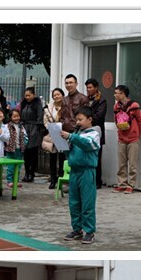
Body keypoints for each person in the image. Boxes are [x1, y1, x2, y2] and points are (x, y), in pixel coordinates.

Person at [60, 105, 101, 245]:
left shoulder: (94, 133)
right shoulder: (76, 134)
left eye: (80, 119)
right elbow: (69, 152)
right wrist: (63, 144)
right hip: (75, 171)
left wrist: (71, 137)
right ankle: (77, 229)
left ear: (89, 119)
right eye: (76, 120)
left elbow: (87, 144)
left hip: (87, 172)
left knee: (87, 203)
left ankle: (89, 231)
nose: (78, 122)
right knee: (74, 203)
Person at [113, 84, 141, 193]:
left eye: (116, 93)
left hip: (133, 139)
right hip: (121, 138)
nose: (115, 95)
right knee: (121, 163)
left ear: (123, 94)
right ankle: (122, 184)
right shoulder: (116, 107)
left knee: (132, 164)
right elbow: (115, 120)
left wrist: (137, 133)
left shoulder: (134, 106)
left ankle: (131, 185)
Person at [85, 78, 107, 189]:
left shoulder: (101, 100)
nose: (88, 90)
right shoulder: (85, 100)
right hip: (85, 131)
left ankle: (97, 181)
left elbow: (99, 116)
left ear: (96, 87)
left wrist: (86, 119)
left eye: (90, 87)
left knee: (96, 157)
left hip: (96, 131)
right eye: (87, 88)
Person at [19, 87, 44, 182]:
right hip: (25, 127)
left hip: (34, 128)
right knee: (25, 152)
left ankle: (31, 172)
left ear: (34, 95)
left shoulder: (37, 103)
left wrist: (37, 127)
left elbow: (40, 116)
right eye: (26, 95)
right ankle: (26, 172)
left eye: (29, 95)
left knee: (33, 152)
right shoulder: (24, 103)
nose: (27, 97)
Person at [42, 88, 66, 189]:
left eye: (58, 94)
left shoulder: (66, 106)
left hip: (63, 133)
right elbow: (45, 121)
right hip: (52, 133)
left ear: (62, 95)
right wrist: (51, 128)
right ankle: (52, 179)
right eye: (54, 95)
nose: (56, 96)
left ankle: (61, 178)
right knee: (52, 157)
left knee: (62, 158)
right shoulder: (49, 107)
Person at [4, 108, 28, 188]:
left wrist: (25, 143)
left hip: (19, 149)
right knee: (10, 166)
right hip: (10, 150)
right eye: (14, 116)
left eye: (17, 116)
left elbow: (25, 136)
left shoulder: (21, 126)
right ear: (10, 117)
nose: (16, 118)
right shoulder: (7, 126)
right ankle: (10, 181)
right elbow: (4, 136)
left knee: (18, 166)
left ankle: (16, 180)